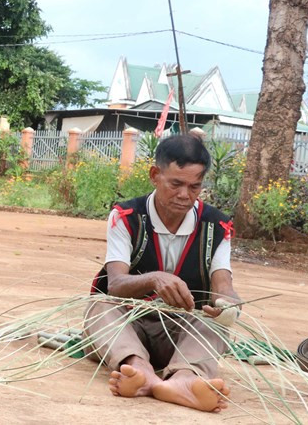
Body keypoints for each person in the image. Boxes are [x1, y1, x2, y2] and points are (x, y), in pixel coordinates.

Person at [84, 133, 240, 413]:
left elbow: (224, 285)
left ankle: (182, 378)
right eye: (176, 184)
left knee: (216, 324)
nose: (185, 195)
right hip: (130, 329)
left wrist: (228, 307)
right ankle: (139, 367)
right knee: (99, 306)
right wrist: (155, 278)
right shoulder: (127, 216)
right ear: (155, 175)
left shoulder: (217, 226)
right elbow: (116, 284)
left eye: (195, 187)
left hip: (182, 335)